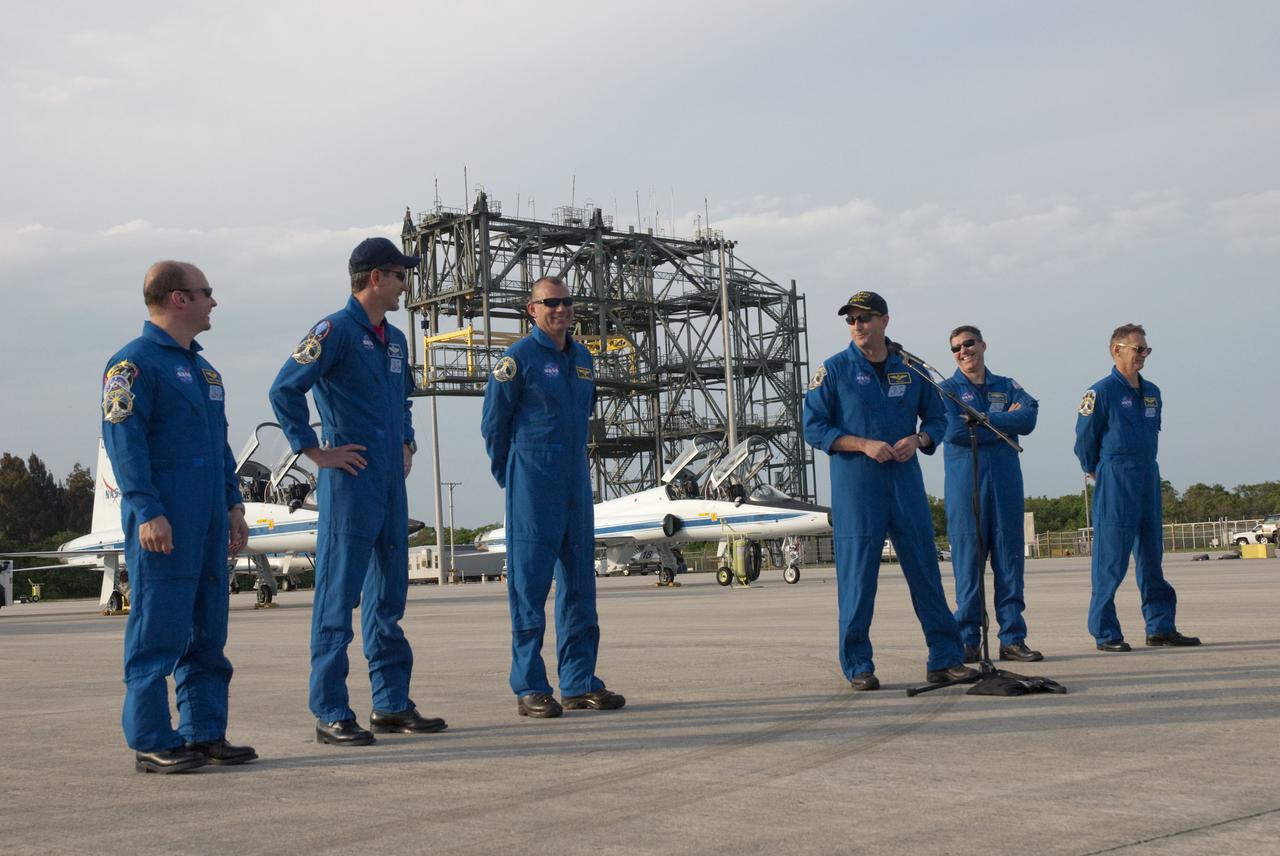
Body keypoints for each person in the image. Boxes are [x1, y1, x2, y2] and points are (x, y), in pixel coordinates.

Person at [269, 237, 446, 745]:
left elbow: (403, 399)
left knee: (388, 597)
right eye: (398, 274)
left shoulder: (395, 340)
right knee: (337, 597)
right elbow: (285, 389)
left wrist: (408, 442)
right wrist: (314, 450)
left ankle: (390, 704)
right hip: (349, 484)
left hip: (390, 482)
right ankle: (329, 709)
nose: (404, 284)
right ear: (374, 278)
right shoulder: (334, 331)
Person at [101, 261, 255, 773]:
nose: (214, 301)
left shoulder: (205, 371)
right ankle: (150, 739)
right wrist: (147, 509)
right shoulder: (132, 366)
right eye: (206, 292)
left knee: (208, 632)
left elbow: (220, 445)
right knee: (158, 632)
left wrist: (233, 504)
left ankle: (204, 730)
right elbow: (125, 443)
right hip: (165, 522)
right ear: (177, 299)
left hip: (210, 521)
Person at [803, 291, 974, 691]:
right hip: (857, 488)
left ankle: (945, 658)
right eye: (851, 320)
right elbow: (813, 426)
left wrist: (919, 440)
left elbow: (939, 417)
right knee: (858, 579)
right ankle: (858, 663)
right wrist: (861, 444)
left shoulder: (910, 369)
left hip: (904, 482)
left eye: (865, 318)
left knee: (925, 571)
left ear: (885, 321)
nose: (858, 326)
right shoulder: (834, 370)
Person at [481, 275, 625, 718]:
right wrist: (512, 476)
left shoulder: (583, 358)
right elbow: (493, 425)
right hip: (533, 479)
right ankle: (529, 685)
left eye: (566, 302)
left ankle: (579, 681)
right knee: (529, 586)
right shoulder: (517, 358)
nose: (560, 309)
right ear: (532, 310)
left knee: (580, 583)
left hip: (575, 480)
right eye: (550, 303)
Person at [1074, 324, 1200, 652]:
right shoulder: (1099, 392)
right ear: (1117, 350)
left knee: (1151, 555)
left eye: (1146, 350)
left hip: (1147, 474)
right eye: (1137, 350)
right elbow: (1085, 440)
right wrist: (1096, 469)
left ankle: (1160, 626)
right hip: (1115, 475)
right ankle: (1106, 632)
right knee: (1111, 558)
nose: (1143, 355)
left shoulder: (1152, 392)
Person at [939, 326, 1042, 663]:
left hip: (1006, 486)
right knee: (968, 569)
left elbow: (1028, 417)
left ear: (983, 345)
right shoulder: (947, 390)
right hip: (966, 489)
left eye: (969, 343)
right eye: (956, 348)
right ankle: (968, 639)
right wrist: (1002, 424)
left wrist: (982, 422)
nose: (964, 351)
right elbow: (954, 430)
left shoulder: (1007, 385)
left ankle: (1012, 639)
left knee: (1010, 564)